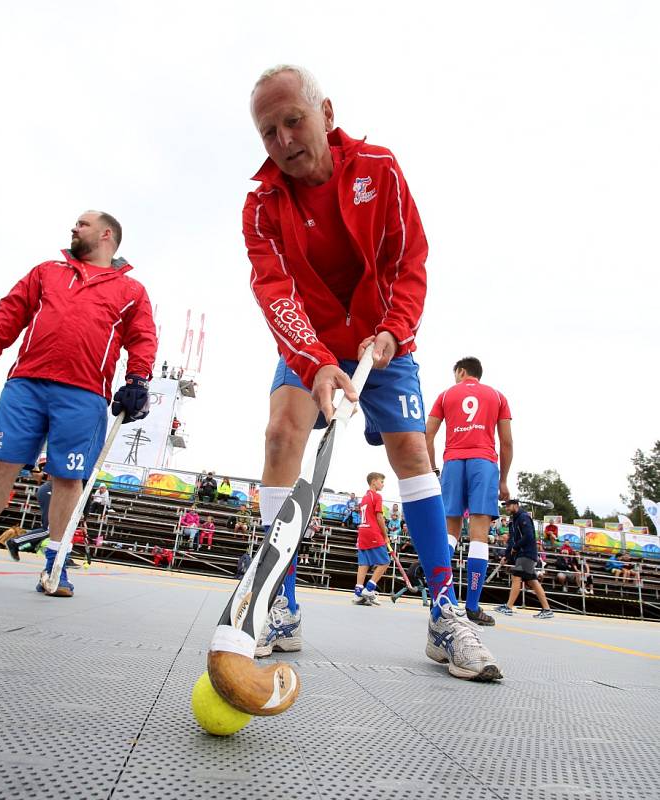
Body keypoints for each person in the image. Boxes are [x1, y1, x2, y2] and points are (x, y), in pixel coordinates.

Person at [244, 64, 499, 680]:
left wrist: (393, 331)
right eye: (267, 131)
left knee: (412, 449)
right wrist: (317, 362)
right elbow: (275, 292)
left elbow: (409, 259)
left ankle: (444, 613)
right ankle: (281, 603)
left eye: (293, 121)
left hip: (383, 337)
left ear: (326, 113)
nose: (282, 141)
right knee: (282, 434)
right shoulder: (260, 204)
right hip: (309, 341)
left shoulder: (379, 168)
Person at [0, 210, 157, 597]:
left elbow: (142, 338)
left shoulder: (131, 291)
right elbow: (12, 309)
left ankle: (56, 565)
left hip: (86, 392)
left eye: (83, 223)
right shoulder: (47, 271)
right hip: (27, 385)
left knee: (69, 478)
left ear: (106, 234)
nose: (74, 227)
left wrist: (137, 379)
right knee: (0, 466)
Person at [426, 356, 513, 627]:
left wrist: (433, 468)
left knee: (450, 531)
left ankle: (440, 596)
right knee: (479, 536)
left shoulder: (445, 395)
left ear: (461, 372)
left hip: (453, 462)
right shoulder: (498, 397)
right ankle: (473, 606)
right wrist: (503, 481)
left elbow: (426, 434)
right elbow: (507, 442)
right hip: (483, 464)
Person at [495, 499, 553, 618]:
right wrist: (507, 556)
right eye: (505, 506)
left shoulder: (523, 517)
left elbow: (529, 536)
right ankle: (547, 610)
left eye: (508, 506)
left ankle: (508, 607)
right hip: (522, 554)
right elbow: (512, 540)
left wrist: (516, 547)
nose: (506, 508)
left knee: (516, 577)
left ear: (516, 505)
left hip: (526, 553)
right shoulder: (514, 520)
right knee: (533, 581)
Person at [353, 472, 391, 606]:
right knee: (385, 562)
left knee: (364, 564)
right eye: (381, 481)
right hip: (372, 532)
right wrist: (385, 536)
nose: (383, 484)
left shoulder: (364, 498)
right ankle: (369, 589)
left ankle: (358, 593)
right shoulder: (377, 496)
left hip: (362, 531)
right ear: (374, 481)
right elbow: (379, 517)